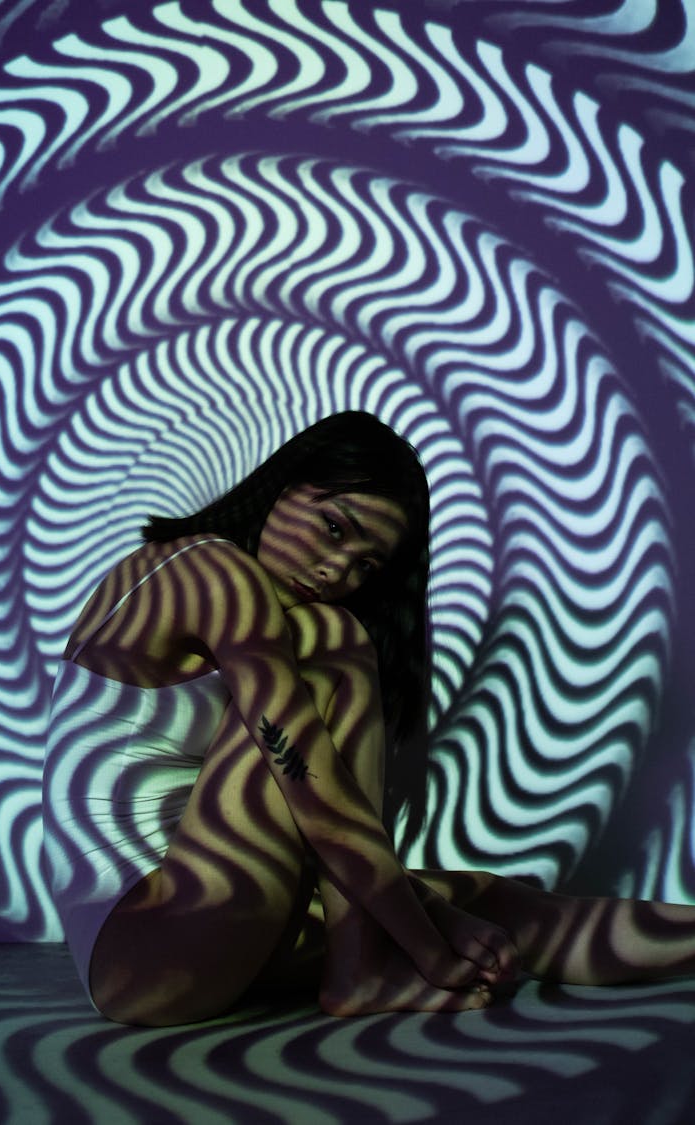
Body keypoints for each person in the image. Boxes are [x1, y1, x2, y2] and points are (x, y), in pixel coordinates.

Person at [43, 411, 695, 1027]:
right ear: (285, 484)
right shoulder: (212, 571)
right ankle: (362, 965)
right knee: (334, 639)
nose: (336, 570)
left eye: (365, 565)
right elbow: (306, 780)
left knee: (492, 904)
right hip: (149, 940)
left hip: (198, 921)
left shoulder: (216, 593)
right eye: (334, 528)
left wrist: (431, 914)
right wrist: (426, 948)